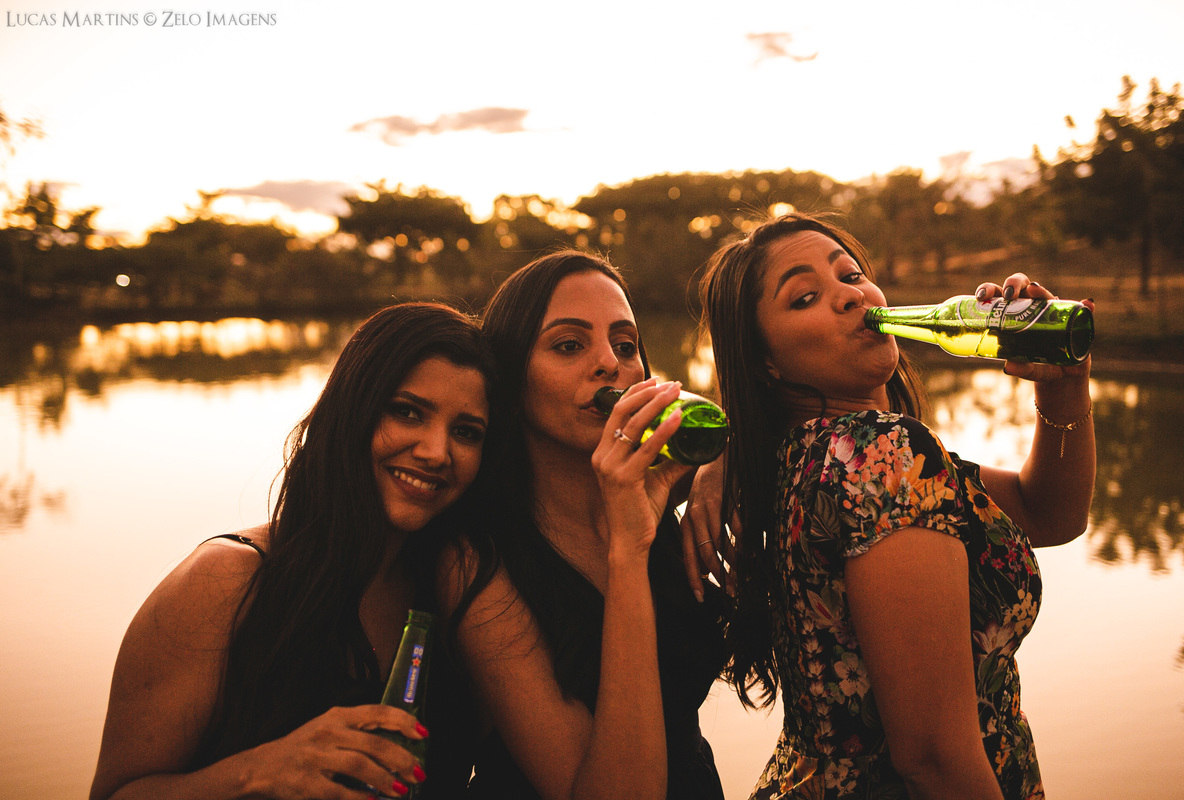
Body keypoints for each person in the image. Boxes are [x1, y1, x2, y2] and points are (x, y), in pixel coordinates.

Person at [694, 212, 1096, 800]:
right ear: (765, 363)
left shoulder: (810, 457)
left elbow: (1050, 514)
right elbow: (934, 761)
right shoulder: (878, 454)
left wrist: (1062, 382)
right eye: (806, 297)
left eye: (851, 274)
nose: (849, 296)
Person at [89, 302, 495, 800]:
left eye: (466, 432)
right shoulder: (228, 581)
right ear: (351, 411)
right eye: (407, 411)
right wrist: (258, 772)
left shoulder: (459, 594)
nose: (436, 451)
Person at [438, 250, 728, 800]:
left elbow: (782, 434)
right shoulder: (475, 561)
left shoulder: (661, 483)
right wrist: (629, 550)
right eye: (569, 345)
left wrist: (720, 465)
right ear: (511, 379)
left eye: (625, 345)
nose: (609, 365)